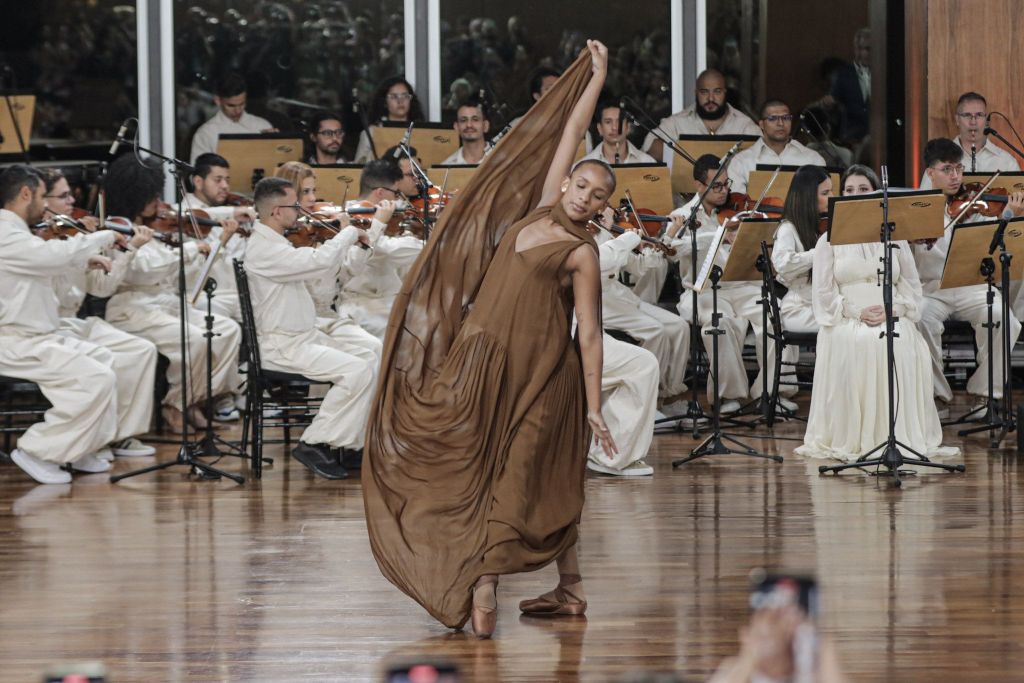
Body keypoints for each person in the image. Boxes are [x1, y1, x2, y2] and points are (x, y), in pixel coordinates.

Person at [364, 41, 616, 638]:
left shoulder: (581, 253)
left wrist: (595, 404)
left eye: (596, 194)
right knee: (489, 468)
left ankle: (484, 587)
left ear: (605, 206)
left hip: (540, 374)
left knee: (527, 474)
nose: (582, 195)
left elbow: (591, 335)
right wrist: (594, 78)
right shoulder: (538, 210)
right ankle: (571, 589)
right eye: (580, 184)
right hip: (482, 364)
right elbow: (570, 130)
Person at [796, 164, 957, 461]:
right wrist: (856, 312)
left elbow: (912, 289)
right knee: (863, 342)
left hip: (891, 313)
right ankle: (857, 437)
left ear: (877, 195)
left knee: (905, 340)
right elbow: (823, 296)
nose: (855, 195)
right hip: (847, 316)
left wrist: (893, 309)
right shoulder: (827, 240)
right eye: (848, 190)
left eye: (863, 190)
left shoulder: (894, 238)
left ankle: (895, 435)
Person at [244, 177, 379, 480]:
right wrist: (346, 234)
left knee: (370, 357)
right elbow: (318, 261)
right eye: (293, 205)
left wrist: (351, 247)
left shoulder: (279, 244)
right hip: (281, 345)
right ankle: (315, 443)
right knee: (355, 372)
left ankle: (349, 444)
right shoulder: (264, 249)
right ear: (277, 211)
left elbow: (320, 278)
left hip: (303, 337)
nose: (300, 211)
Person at [102, 155, 243, 434]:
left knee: (227, 330)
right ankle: (175, 405)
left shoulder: (153, 228)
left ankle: (193, 399)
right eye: (152, 196)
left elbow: (176, 262)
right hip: (133, 308)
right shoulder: (117, 231)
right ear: (136, 197)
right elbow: (144, 270)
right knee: (194, 340)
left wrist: (215, 242)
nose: (158, 203)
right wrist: (190, 250)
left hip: (165, 304)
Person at [0, 165, 120, 483]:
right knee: (96, 378)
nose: (43, 205)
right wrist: (101, 237)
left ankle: (80, 448)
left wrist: (83, 259)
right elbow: (46, 256)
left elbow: (38, 261)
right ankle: (37, 450)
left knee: (104, 358)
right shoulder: (4, 233)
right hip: (14, 341)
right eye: (41, 196)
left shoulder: (15, 233)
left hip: (34, 336)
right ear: (25, 193)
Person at [42, 169, 159, 459]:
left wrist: (128, 249)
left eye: (71, 194)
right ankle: (93, 438)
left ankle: (123, 435)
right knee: (103, 357)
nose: (73, 200)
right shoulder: (37, 241)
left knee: (141, 349)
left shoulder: (77, 235)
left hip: (74, 322)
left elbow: (102, 289)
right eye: (64, 196)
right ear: (41, 201)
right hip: (48, 325)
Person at [668, 155, 795, 413]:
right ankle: (729, 396)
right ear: (699, 186)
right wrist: (717, 236)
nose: (725, 191)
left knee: (776, 316)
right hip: (703, 291)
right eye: (717, 186)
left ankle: (772, 392)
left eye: (727, 184)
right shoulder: (682, 216)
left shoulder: (739, 212)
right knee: (721, 323)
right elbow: (672, 250)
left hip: (743, 285)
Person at [913, 138, 1024, 416]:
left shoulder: (974, 202)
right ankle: (937, 394)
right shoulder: (915, 207)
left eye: (959, 169)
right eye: (947, 169)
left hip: (970, 284)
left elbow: (994, 239)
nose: (956, 177)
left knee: (1003, 317)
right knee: (920, 318)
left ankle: (986, 394)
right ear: (930, 172)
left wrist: (1009, 215)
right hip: (931, 288)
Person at [271, 161, 382, 367]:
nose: (313, 199)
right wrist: (341, 238)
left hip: (328, 317)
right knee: (352, 358)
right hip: (303, 323)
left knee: (375, 346)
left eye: (313, 190)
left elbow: (346, 274)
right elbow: (317, 271)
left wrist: (360, 245)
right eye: (305, 192)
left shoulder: (321, 231)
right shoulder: (284, 240)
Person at [336, 160, 424, 339]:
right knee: (405, 331)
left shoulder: (385, 216)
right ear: (380, 193)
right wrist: (427, 242)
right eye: (396, 193)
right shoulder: (350, 218)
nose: (399, 200)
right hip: (361, 303)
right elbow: (387, 250)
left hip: (389, 298)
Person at [642, 69, 760, 162]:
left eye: (717, 92)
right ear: (696, 93)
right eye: (704, 92)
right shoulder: (677, 122)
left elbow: (764, 152)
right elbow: (650, 149)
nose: (711, 98)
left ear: (725, 93)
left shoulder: (744, 124)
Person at [919, 92, 1020, 189]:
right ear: (957, 120)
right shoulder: (938, 158)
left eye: (979, 115)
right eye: (967, 115)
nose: (973, 122)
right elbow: (924, 201)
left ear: (986, 120)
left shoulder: (1007, 162)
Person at [727, 100, 827, 194]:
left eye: (786, 118)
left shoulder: (813, 159)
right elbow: (736, 206)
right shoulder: (741, 161)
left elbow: (823, 201)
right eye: (773, 118)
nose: (780, 123)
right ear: (761, 124)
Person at [189, 72, 276, 163]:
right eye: (231, 106)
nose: (238, 110)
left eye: (242, 104)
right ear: (218, 101)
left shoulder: (262, 125)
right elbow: (198, 173)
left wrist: (274, 144)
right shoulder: (206, 133)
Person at [355, 77, 426, 163]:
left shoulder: (422, 132)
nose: (400, 101)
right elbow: (358, 168)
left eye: (405, 96)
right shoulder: (372, 132)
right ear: (384, 102)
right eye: (394, 96)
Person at [582, 100, 656, 165]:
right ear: (599, 128)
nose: (614, 127)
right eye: (608, 122)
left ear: (628, 127)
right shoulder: (584, 165)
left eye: (619, 122)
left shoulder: (647, 162)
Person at [440, 99, 492, 165]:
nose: (469, 125)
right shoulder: (446, 167)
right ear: (456, 127)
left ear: (485, 126)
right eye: (463, 120)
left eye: (475, 119)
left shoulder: (501, 161)